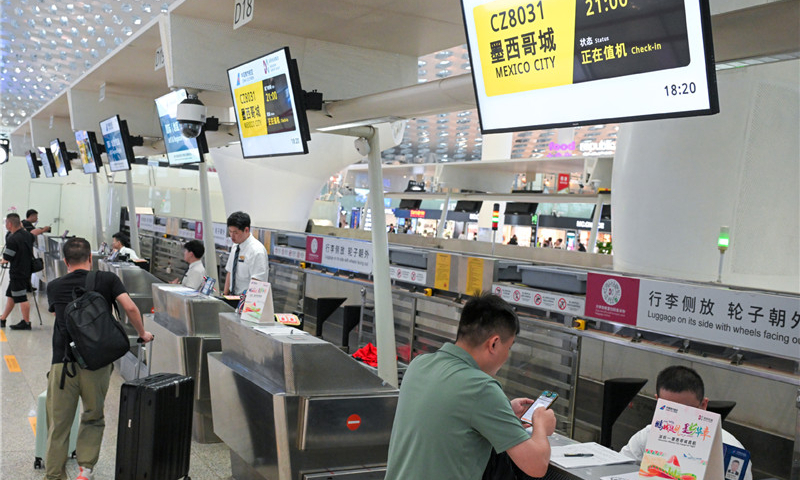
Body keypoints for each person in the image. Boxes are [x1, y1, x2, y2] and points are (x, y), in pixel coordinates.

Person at [385, 293, 556, 480]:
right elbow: (537, 465)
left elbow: (453, 415)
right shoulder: (482, 388)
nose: (507, 356)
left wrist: (504, 411)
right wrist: (540, 425)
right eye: (509, 348)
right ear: (494, 343)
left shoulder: (419, 365)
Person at [45, 237, 153, 480]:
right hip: (97, 363)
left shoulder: (54, 286)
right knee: (93, 416)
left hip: (63, 363)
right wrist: (142, 333)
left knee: (59, 424)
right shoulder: (107, 279)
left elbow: (57, 314)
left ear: (65, 261)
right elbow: (131, 308)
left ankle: (54, 475)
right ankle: (85, 470)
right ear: (90, 258)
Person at [620, 366, 753, 480]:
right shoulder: (647, 436)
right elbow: (619, 468)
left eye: (686, 411)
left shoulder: (731, 449)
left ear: (703, 405)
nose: (678, 420)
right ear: (657, 402)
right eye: (669, 409)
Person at [1, 213, 35, 330]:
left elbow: (7, 258)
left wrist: (2, 260)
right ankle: (3, 318)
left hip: (17, 272)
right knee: (11, 295)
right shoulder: (28, 235)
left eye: (6, 223)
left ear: (9, 224)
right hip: (26, 270)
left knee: (21, 298)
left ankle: (26, 322)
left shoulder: (12, 238)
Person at [223, 211, 268, 296]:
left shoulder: (257, 251)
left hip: (247, 301)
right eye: (230, 231)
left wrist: (245, 305)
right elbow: (229, 272)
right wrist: (224, 296)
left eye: (235, 232)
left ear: (246, 230)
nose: (232, 236)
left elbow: (257, 283)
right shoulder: (235, 246)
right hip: (232, 298)